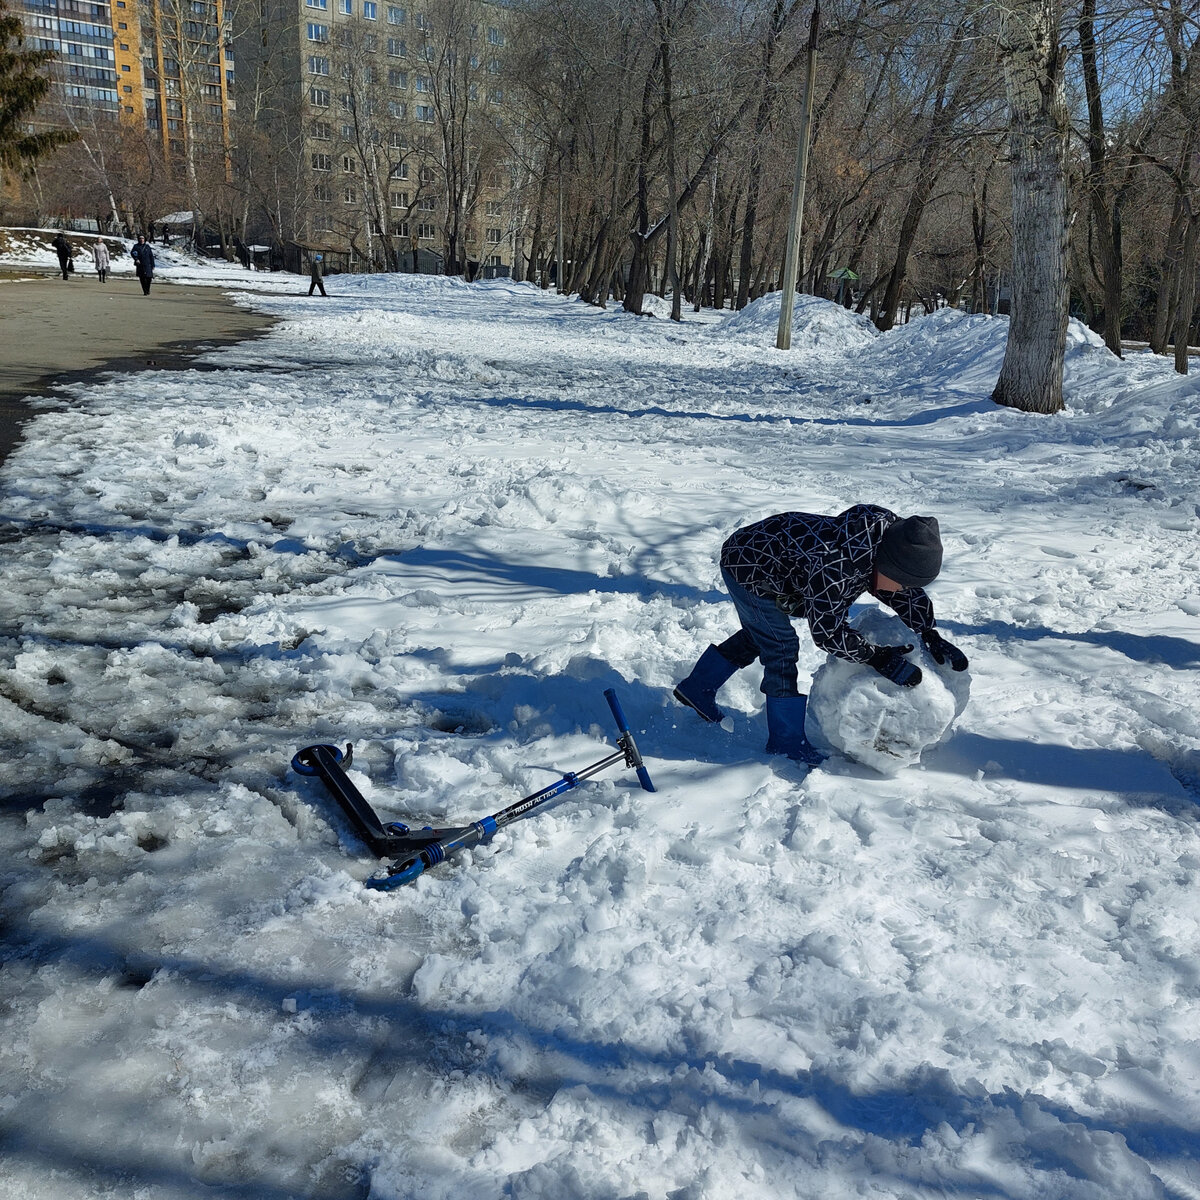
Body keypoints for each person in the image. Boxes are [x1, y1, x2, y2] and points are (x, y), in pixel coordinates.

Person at [673, 505, 969, 763]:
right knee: (781, 646)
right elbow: (828, 633)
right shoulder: (836, 565)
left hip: (785, 569)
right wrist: (876, 657)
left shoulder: (885, 544)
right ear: (885, 565)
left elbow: (900, 590)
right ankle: (785, 742)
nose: (904, 591)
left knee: (762, 634)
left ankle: (697, 688)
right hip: (749, 566)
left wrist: (928, 631)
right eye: (901, 583)